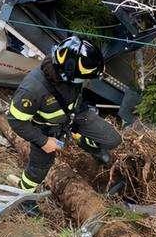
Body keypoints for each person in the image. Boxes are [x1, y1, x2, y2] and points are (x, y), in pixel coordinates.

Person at [7, 36, 122, 215]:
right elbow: (15, 120)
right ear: (67, 74)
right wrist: (44, 141)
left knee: (112, 139)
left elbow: (77, 90)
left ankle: (87, 144)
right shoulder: (32, 90)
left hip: (74, 115)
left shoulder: (71, 70)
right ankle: (24, 197)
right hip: (46, 130)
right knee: (38, 170)